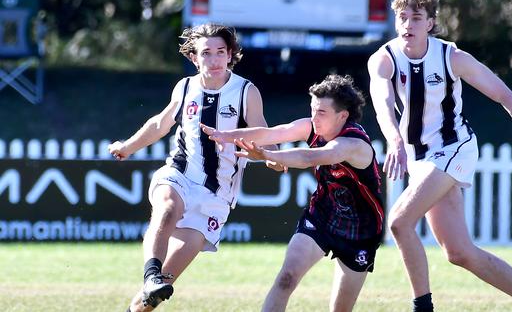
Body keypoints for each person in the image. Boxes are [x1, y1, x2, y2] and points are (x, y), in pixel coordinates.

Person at [366, 0, 512, 312]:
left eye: (416, 18)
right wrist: (394, 140)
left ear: (430, 23)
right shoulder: (384, 59)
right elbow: (382, 103)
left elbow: (505, 95)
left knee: (399, 222)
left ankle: (423, 308)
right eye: (402, 17)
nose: (407, 25)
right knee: (459, 253)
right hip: (421, 158)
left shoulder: (451, 57)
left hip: (455, 148)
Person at [108, 23, 281, 312]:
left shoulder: (245, 92)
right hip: (180, 173)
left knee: (156, 296)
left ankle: (150, 289)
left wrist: (271, 157)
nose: (213, 60)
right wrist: (127, 147)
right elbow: (160, 124)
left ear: (230, 56)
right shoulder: (185, 88)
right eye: (206, 53)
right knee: (166, 208)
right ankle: (150, 274)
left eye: (220, 53)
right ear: (194, 57)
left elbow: (264, 136)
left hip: (215, 198)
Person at [200, 74, 384, 312]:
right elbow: (271, 133)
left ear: (343, 116)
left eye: (322, 113)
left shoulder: (352, 144)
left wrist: (267, 155)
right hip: (322, 214)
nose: (314, 118)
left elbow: (310, 157)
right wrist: (226, 136)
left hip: (361, 230)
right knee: (286, 277)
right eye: (313, 109)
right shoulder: (311, 126)